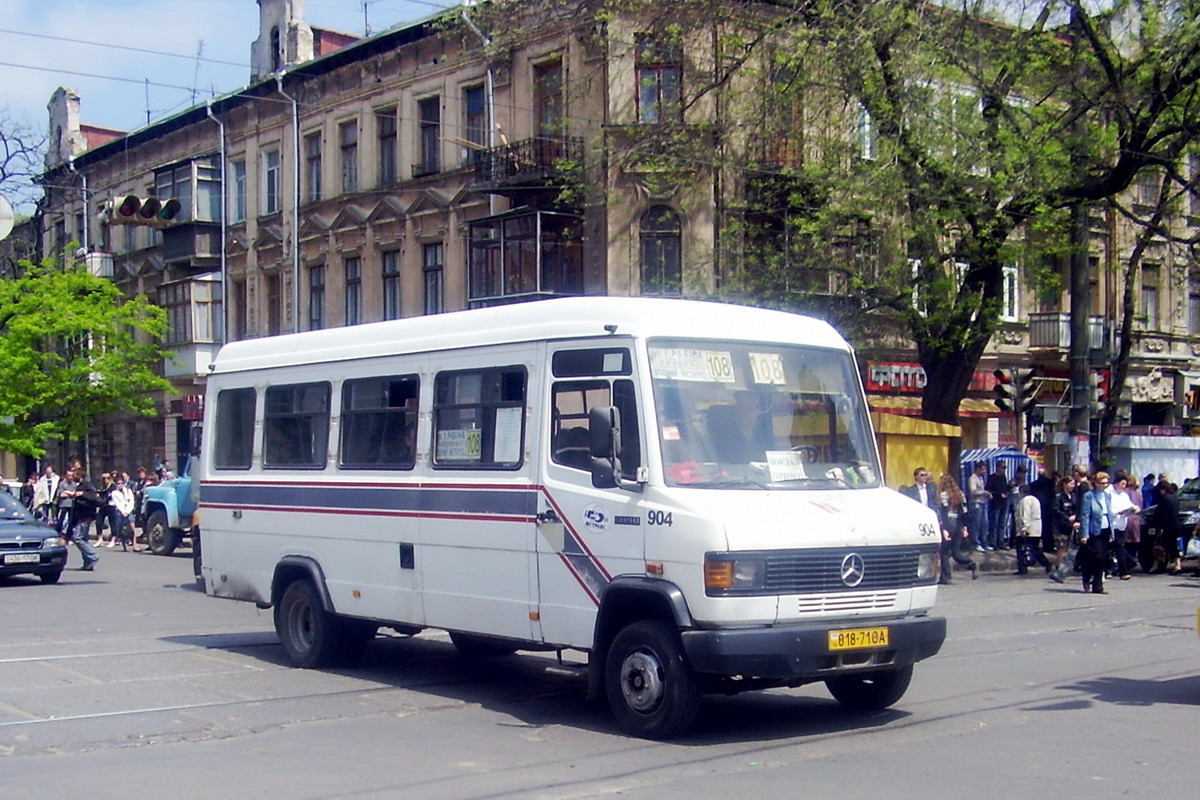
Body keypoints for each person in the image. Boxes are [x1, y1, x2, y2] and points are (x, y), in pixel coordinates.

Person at [935, 473, 979, 583]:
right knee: (956, 551)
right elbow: (964, 511)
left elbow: (943, 511)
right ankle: (971, 564)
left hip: (949, 523)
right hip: (959, 522)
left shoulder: (944, 495)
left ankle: (946, 577)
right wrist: (964, 527)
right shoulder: (960, 495)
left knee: (944, 552)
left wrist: (943, 528)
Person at [1079, 471, 1115, 593]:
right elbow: (1085, 515)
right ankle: (1086, 577)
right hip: (1093, 530)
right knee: (1093, 557)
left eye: (1106, 483)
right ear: (1096, 483)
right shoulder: (1089, 496)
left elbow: (1110, 514)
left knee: (1102, 558)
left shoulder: (1107, 496)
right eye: (1102, 483)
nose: (1105, 485)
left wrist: (1112, 532)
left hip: (1105, 529)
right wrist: (1084, 534)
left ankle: (1098, 586)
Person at [59, 467, 101, 571]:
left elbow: (94, 497)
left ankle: (93, 556)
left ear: (80, 476)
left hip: (86, 516)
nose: (73, 477)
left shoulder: (87, 485)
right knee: (84, 539)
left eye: (75, 475)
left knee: (77, 537)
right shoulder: (79, 486)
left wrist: (82, 494)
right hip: (79, 516)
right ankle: (88, 563)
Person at [1049, 475, 1081, 583]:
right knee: (1061, 548)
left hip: (1071, 527)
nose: (1073, 486)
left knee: (1069, 549)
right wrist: (1067, 518)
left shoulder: (1074, 496)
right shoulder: (1059, 496)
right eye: (1071, 483)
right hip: (1060, 527)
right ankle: (1058, 570)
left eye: (1074, 484)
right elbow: (1055, 510)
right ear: (1064, 484)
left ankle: (1063, 570)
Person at [1014, 483, 1051, 575]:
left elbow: (1025, 514)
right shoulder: (1035, 499)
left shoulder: (1024, 501)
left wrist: (1024, 528)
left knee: (1021, 549)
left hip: (1028, 529)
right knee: (1035, 549)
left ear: (1022, 492)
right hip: (1036, 528)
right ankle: (1046, 563)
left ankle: (1022, 567)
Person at [1108, 472, 1139, 579]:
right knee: (1117, 547)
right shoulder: (1109, 492)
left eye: (1125, 484)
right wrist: (1117, 512)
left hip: (1121, 525)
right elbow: (1108, 508)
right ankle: (1123, 570)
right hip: (1111, 524)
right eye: (1122, 484)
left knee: (1117, 547)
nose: (1124, 486)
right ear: (1116, 482)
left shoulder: (1124, 495)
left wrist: (1134, 508)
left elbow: (1129, 505)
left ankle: (1112, 570)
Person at [1155, 481, 1183, 574]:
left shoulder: (1165, 499)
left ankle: (1160, 564)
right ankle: (1177, 565)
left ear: (1164, 489)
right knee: (1174, 546)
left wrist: (1160, 528)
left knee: (1161, 547)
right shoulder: (1176, 498)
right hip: (1176, 525)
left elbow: (1161, 514)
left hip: (1167, 526)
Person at [108, 473, 136, 551]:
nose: (120, 485)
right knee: (122, 529)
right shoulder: (114, 493)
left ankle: (134, 545)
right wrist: (123, 512)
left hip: (128, 511)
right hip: (120, 512)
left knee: (132, 528)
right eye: (118, 484)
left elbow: (131, 501)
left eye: (121, 483)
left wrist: (128, 511)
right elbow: (118, 503)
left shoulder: (128, 491)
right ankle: (124, 545)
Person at [985, 461, 1010, 550]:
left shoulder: (1003, 477)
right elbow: (988, 490)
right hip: (995, 503)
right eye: (1003, 467)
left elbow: (1005, 488)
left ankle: (1001, 542)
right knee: (994, 524)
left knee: (1002, 524)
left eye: (1005, 468)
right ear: (998, 467)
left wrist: (1009, 486)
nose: (1004, 470)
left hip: (1004, 503)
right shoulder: (992, 477)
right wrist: (999, 494)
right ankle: (993, 542)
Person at [967, 461, 991, 551]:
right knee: (976, 524)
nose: (984, 471)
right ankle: (975, 543)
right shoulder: (973, 478)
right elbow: (973, 491)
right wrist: (984, 492)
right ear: (978, 469)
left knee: (984, 524)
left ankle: (984, 542)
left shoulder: (981, 478)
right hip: (976, 504)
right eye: (983, 469)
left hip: (983, 503)